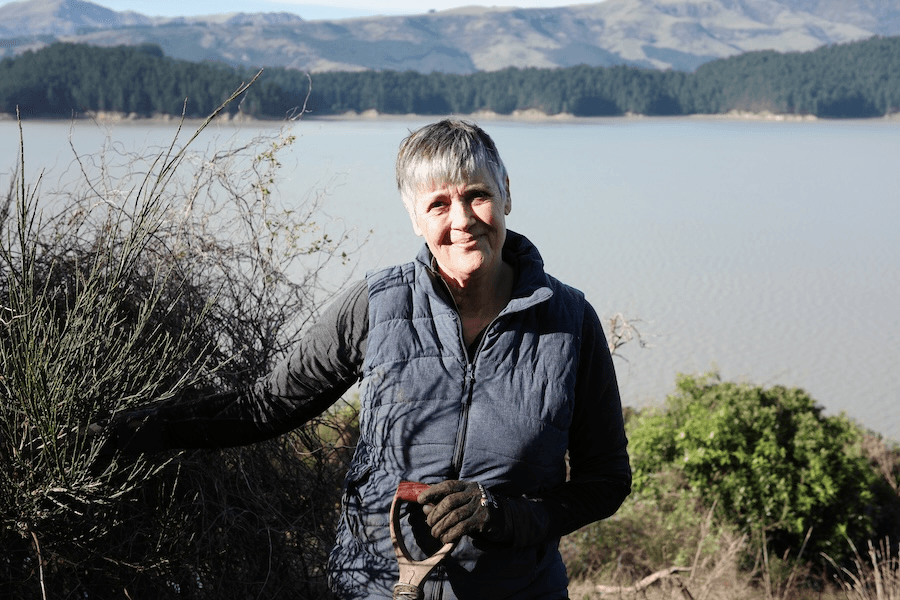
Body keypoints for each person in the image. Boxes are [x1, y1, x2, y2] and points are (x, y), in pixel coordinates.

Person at [107, 118, 631, 599]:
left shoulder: (570, 321)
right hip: (377, 589)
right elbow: (267, 405)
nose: (463, 219)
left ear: (507, 196)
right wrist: (138, 429)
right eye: (439, 204)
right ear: (414, 217)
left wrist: (502, 515)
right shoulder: (377, 305)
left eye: (478, 195)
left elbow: (605, 481)